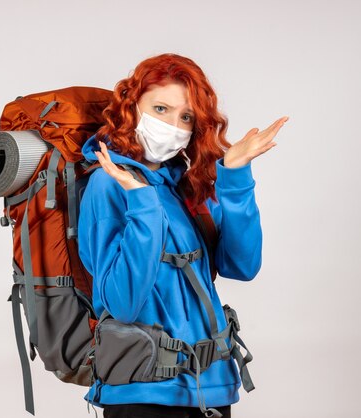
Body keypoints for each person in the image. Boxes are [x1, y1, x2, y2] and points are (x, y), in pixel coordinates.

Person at [77, 53, 289, 418]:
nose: (173, 125)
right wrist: (142, 202)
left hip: (211, 385)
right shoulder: (107, 185)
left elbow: (242, 265)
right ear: (131, 108)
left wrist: (235, 177)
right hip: (142, 393)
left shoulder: (184, 185)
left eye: (186, 117)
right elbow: (123, 304)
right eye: (161, 109)